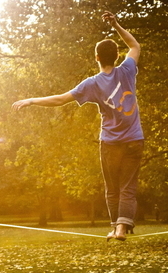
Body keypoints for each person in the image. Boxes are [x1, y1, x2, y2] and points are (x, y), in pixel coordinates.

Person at [12, 11, 144, 241]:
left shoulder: (92, 84)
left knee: (112, 188)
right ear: (116, 56)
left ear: (96, 57)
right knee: (128, 187)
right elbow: (134, 45)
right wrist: (116, 25)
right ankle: (121, 229)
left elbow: (61, 99)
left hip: (111, 143)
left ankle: (116, 228)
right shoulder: (128, 70)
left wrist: (32, 100)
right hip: (134, 139)